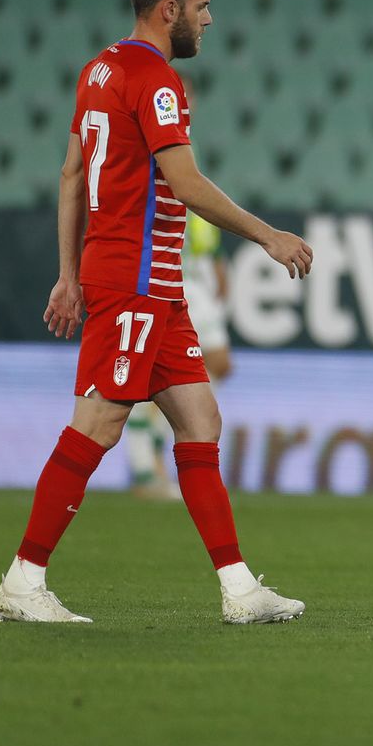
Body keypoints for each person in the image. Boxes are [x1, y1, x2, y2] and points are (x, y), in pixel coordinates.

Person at [0, 0, 314, 624]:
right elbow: (186, 183)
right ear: (169, 10)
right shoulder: (155, 80)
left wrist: (68, 274)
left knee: (200, 419)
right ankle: (23, 578)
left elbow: (71, 174)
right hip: (134, 279)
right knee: (100, 422)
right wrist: (268, 235)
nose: (209, 19)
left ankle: (239, 590)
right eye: (201, 7)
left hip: (153, 283)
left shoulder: (98, 69)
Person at [125, 77, 232, 500]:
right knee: (164, 371)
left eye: (187, 96)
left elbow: (197, 208)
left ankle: (151, 461)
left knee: (207, 367)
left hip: (195, 267)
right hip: (169, 267)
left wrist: (215, 259)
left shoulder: (185, 142)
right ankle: (145, 468)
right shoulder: (153, 141)